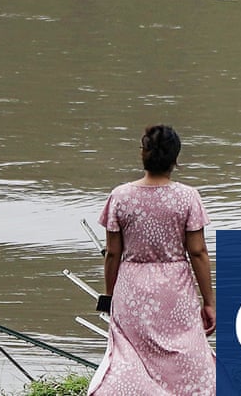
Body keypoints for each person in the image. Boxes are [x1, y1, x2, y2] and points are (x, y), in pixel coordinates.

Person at [87, 124, 216, 395]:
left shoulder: (120, 196)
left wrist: (111, 296)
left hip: (132, 288)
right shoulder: (187, 197)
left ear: (143, 154)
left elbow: (113, 253)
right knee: (185, 354)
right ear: (175, 159)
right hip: (175, 288)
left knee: (130, 354)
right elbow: (197, 252)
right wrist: (209, 302)